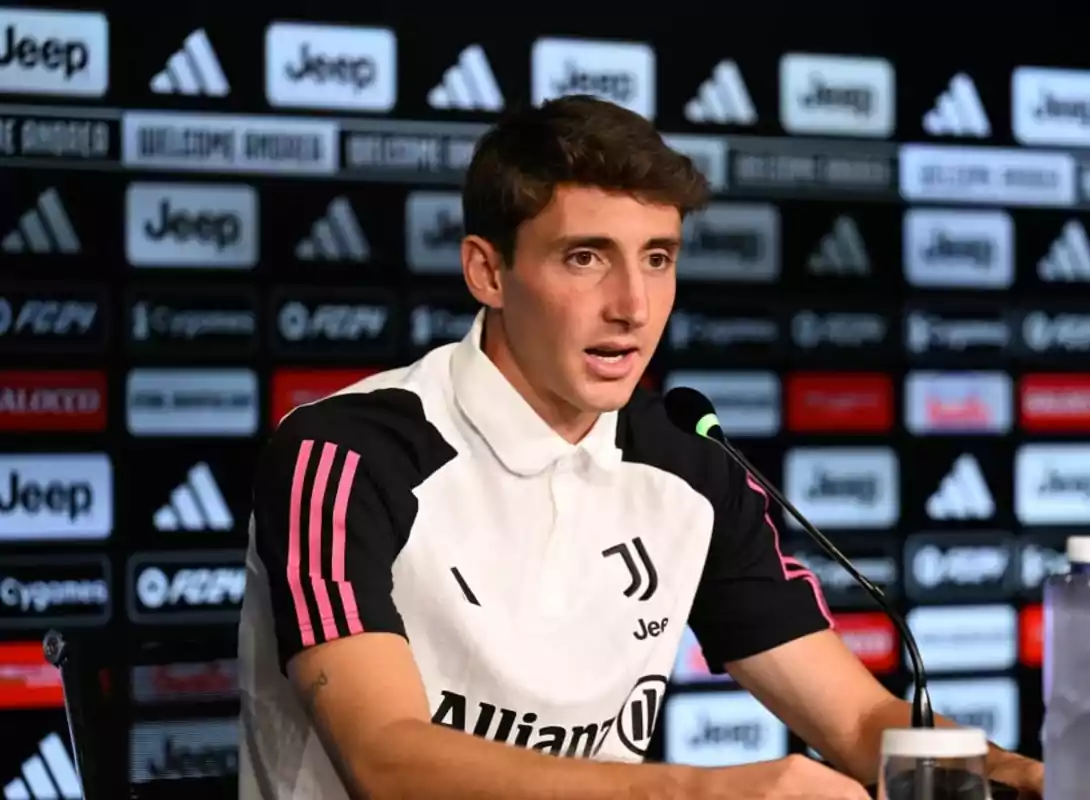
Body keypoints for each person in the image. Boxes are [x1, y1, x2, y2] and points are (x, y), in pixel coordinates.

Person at [237, 94, 1044, 799]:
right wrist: (692, 790)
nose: (633, 306)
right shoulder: (344, 453)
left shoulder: (690, 462)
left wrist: (1021, 775)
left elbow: (859, 717)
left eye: (657, 259)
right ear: (488, 272)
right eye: (585, 258)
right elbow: (389, 761)